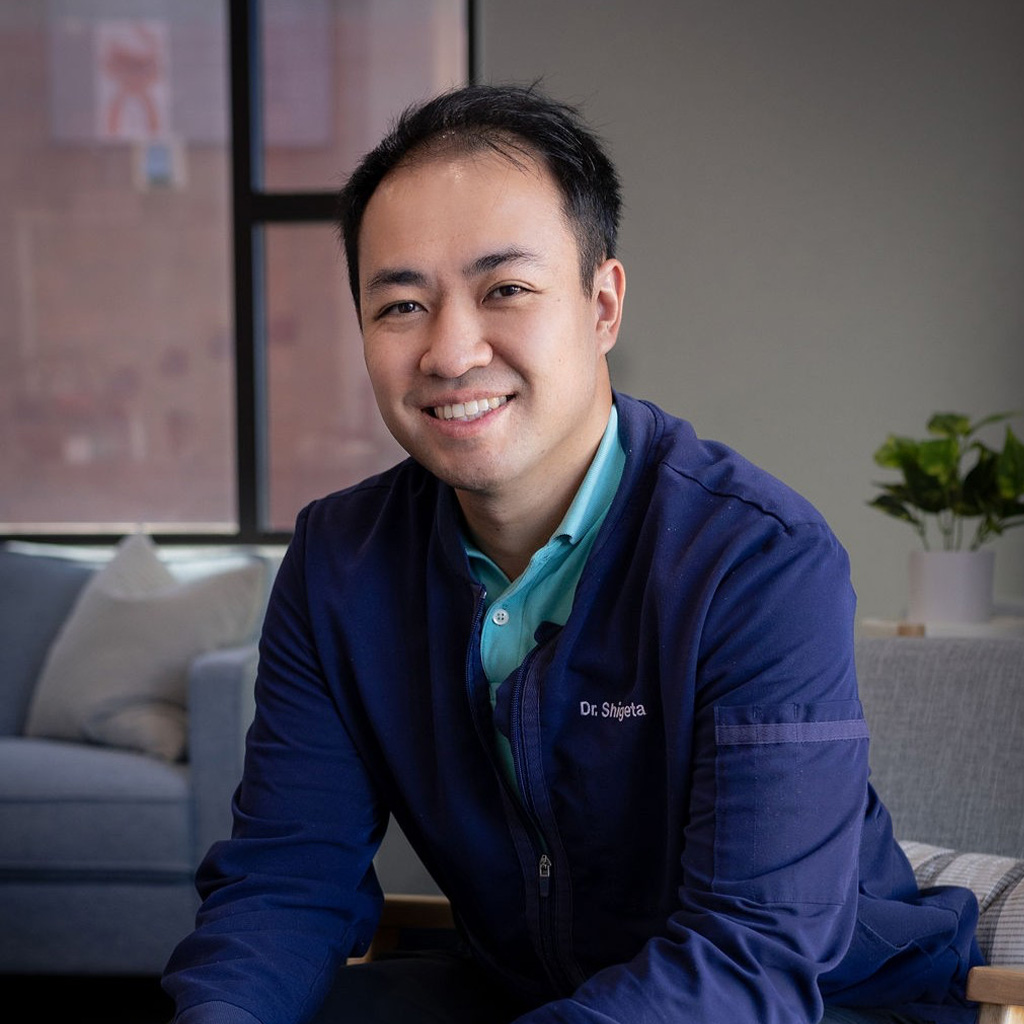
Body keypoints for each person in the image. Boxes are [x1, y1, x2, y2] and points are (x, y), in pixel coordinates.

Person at [162, 84, 981, 1024]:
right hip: (532, 994)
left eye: (505, 290)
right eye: (400, 306)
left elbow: (755, 949)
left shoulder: (758, 559)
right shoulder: (337, 563)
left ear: (601, 306)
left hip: (814, 1003)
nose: (450, 350)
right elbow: (284, 883)